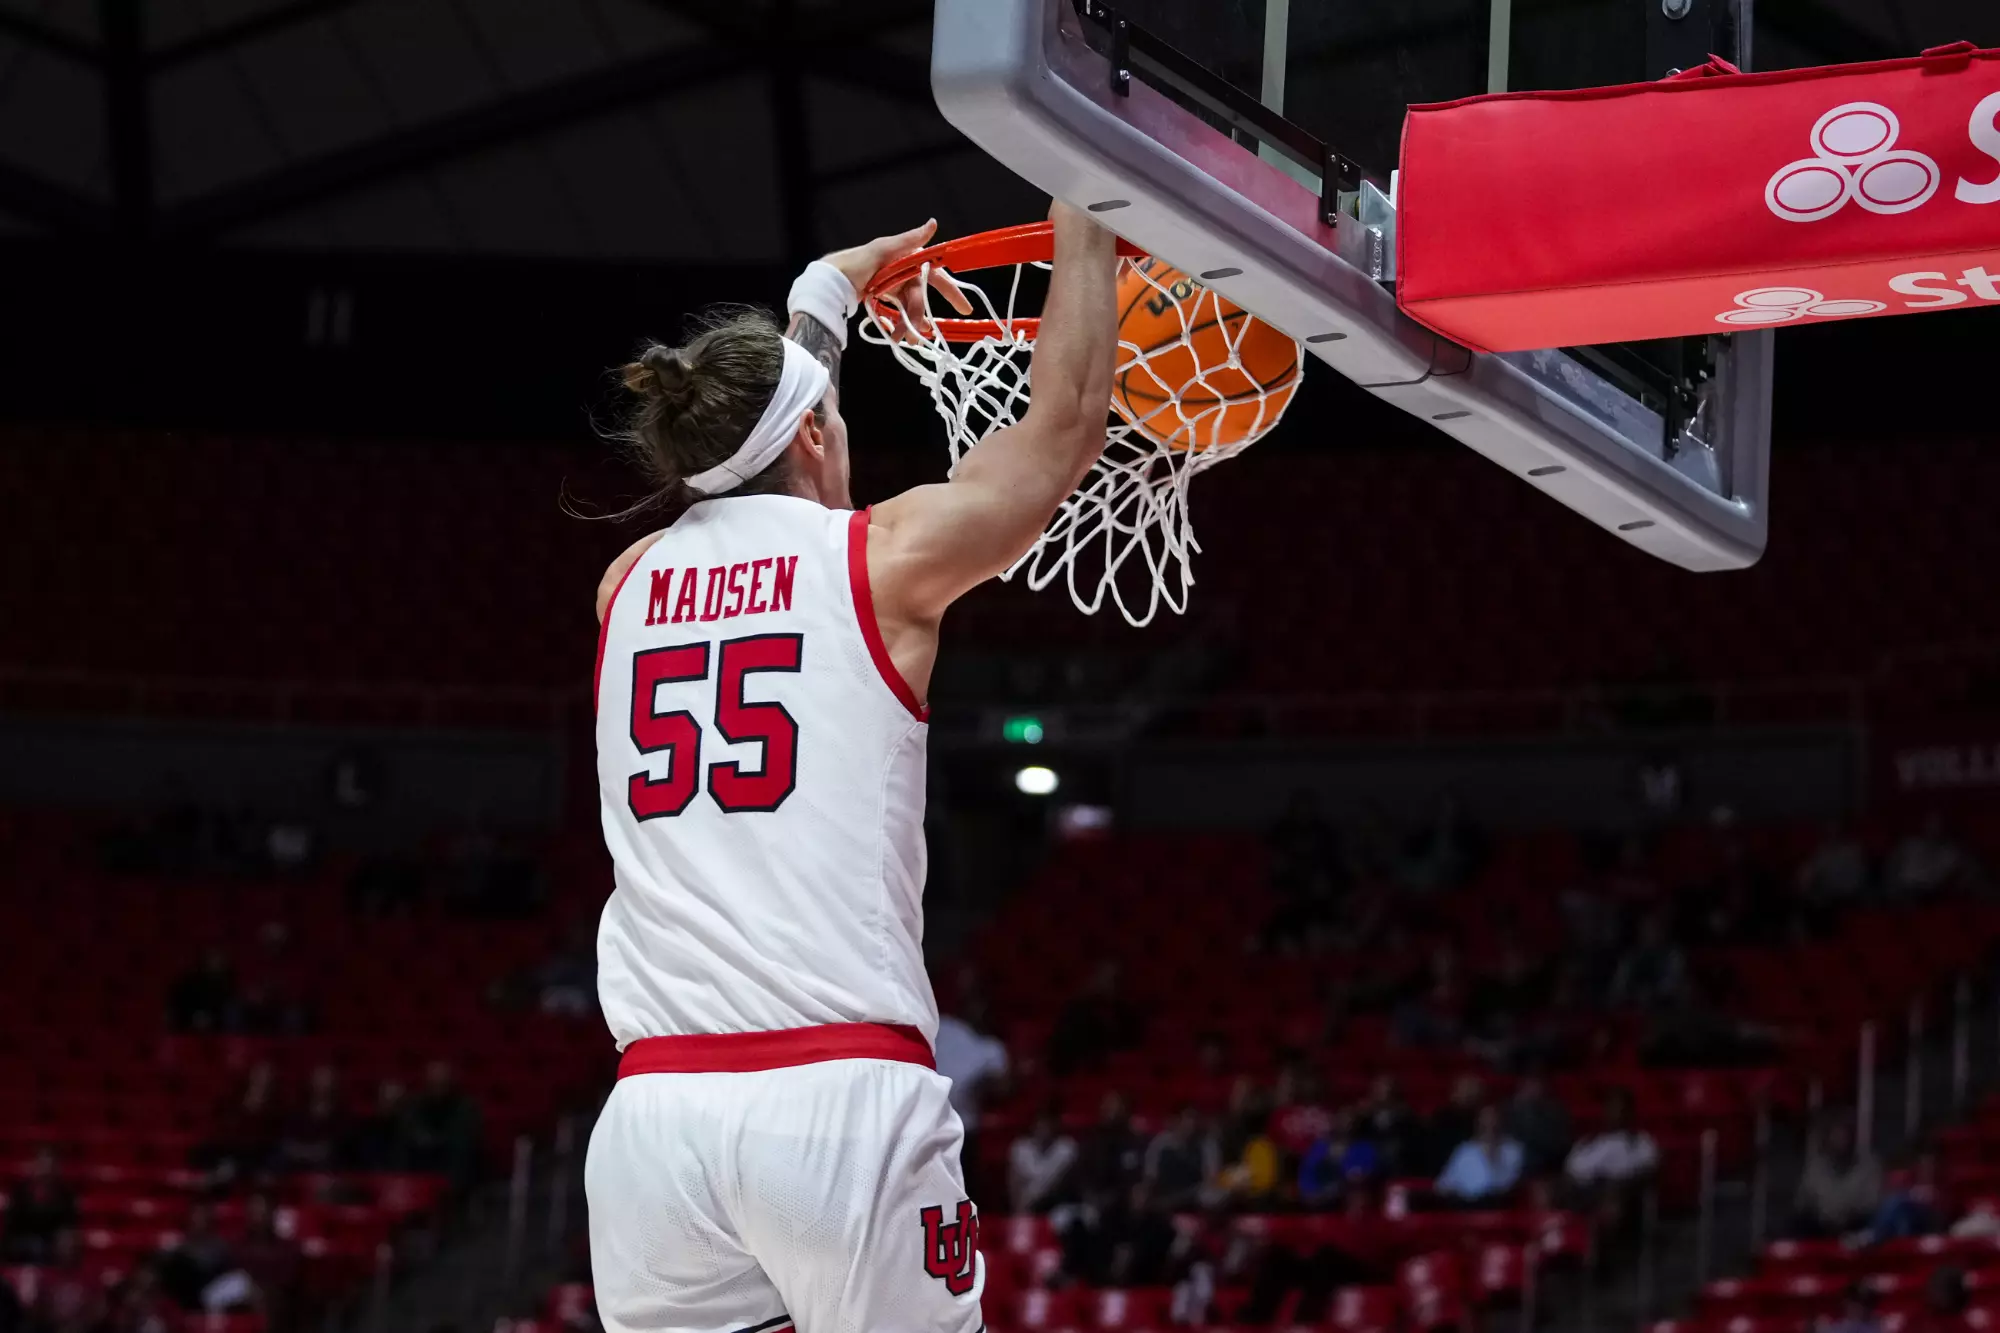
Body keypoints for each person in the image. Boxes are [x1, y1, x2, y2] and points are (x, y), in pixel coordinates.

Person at [584, 204, 1122, 1333]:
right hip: (834, 1098)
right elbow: (1066, 422)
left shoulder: (625, 582)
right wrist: (1091, 207)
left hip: (652, 1123)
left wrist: (820, 305)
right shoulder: (877, 561)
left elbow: (759, 453)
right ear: (817, 437)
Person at [1564, 1088, 1658, 1239]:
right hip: (1585, 1191)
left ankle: (1603, 1250)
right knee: (1545, 1189)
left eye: (1620, 1109)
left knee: (1611, 1199)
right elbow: (1571, 1169)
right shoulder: (1589, 1141)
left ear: (1630, 1112)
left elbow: (1650, 1171)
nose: (1616, 1113)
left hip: (1622, 1194)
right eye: (1611, 1108)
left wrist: (1618, 1184)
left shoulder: (1641, 1141)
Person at [1793, 1115, 1882, 1239]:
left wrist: (1844, 1214)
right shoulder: (1816, 1168)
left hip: (1855, 1225)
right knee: (1798, 1223)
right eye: (1836, 1135)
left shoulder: (1869, 1166)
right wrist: (1827, 1216)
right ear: (1828, 1138)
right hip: (1821, 1226)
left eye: (1845, 1135)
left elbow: (1871, 1203)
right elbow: (1803, 1202)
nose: (1841, 1140)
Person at [1435, 1105, 1524, 1206]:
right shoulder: (1465, 1150)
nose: (1490, 1125)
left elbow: (1505, 1184)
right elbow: (1443, 1185)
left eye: (1493, 1120)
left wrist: (1493, 1154)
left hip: (1500, 1207)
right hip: (1467, 1208)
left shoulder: (1512, 1150)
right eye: (1485, 1120)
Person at [1, 1146, 77, 1262]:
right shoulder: (20, 1192)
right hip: (23, 1245)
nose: (45, 1170)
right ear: (35, 1166)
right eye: (42, 1165)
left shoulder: (65, 1195)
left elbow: (68, 1225)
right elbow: (11, 1229)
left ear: (56, 1168)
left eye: (49, 1166)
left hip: (52, 1248)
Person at [1503, 1075, 1573, 1179]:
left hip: (1548, 1157)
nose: (1533, 1090)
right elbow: (1509, 1136)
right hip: (1521, 1156)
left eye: (1536, 1085)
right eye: (1529, 1086)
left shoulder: (1555, 1111)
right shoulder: (1511, 1110)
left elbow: (1562, 1141)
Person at [1008, 1110, 1078, 1215]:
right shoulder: (1020, 1148)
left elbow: (1069, 1183)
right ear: (1034, 1126)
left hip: (1056, 1205)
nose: (1044, 1129)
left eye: (1047, 1125)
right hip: (1026, 1204)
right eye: (1041, 1125)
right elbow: (1014, 1182)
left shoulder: (1066, 1148)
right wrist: (1018, 1210)